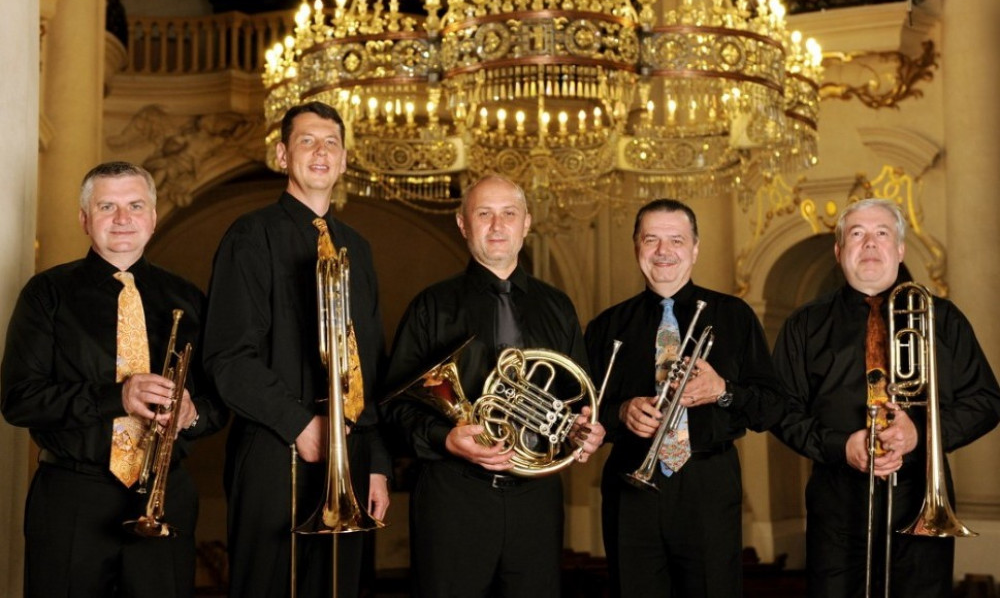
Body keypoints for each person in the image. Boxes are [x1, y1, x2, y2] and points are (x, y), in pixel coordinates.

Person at [1, 161, 227, 597]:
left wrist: (193, 413)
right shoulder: (46, 294)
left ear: (153, 217)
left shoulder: (189, 298)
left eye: (135, 205)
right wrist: (116, 397)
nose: (123, 219)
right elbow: (19, 399)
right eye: (107, 206)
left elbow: (220, 400)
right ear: (85, 219)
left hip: (165, 495)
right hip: (72, 496)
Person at [382, 174, 606, 598]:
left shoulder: (557, 306)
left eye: (509, 214)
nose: (497, 225)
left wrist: (583, 430)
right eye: (484, 214)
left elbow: (581, 398)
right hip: (454, 497)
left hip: (536, 501)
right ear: (463, 224)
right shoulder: (431, 305)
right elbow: (393, 408)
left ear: (527, 223)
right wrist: (445, 438)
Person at [202, 101, 391, 598]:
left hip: (349, 454)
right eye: (307, 141)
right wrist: (301, 426)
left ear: (345, 159)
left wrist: (376, 463)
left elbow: (369, 363)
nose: (320, 151)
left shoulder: (360, 247)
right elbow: (226, 357)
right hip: (275, 449)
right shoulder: (250, 235)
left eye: (331, 142)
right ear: (283, 155)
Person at [771, 197, 1000, 598]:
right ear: (839, 251)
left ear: (899, 249)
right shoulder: (804, 325)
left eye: (882, 234)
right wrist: (842, 446)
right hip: (836, 502)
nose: (870, 244)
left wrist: (922, 434)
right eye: (857, 234)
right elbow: (779, 409)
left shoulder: (943, 318)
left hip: (921, 496)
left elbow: (986, 400)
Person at [585, 198, 785, 597]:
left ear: (695, 248)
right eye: (651, 239)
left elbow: (771, 407)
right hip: (630, 486)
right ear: (636, 247)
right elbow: (583, 414)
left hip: (707, 485)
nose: (663, 252)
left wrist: (723, 391)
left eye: (676, 240)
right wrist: (621, 412)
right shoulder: (607, 325)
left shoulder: (734, 315)